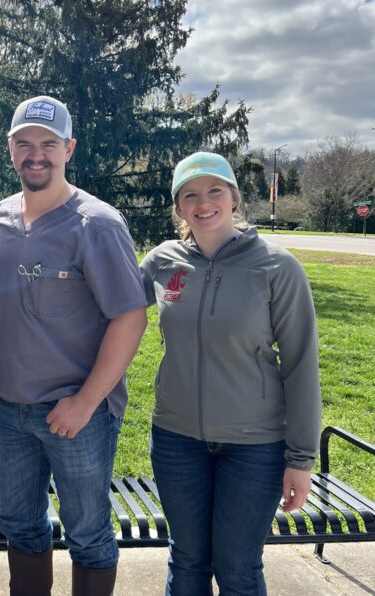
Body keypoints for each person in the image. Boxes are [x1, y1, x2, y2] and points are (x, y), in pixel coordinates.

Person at [0, 95, 148, 596]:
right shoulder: (0, 217)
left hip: (77, 415)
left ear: (68, 149)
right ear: (10, 149)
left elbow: (131, 317)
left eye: (49, 144)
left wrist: (85, 402)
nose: (37, 155)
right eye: (25, 144)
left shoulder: (96, 223)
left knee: (89, 535)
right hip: (9, 412)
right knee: (20, 527)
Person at [139, 151, 322, 595]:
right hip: (176, 439)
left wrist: (300, 460)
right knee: (187, 562)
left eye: (215, 191)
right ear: (179, 206)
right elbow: (107, 309)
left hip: (254, 446)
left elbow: (301, 366)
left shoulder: (277, 267)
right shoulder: (162, 262)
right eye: (191, 195)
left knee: (238, 569)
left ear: (234, 197)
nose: (204, 203)